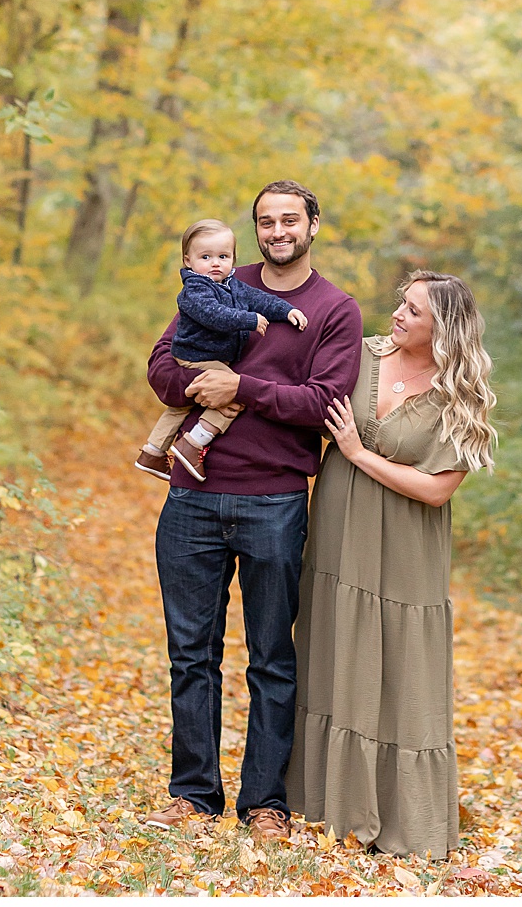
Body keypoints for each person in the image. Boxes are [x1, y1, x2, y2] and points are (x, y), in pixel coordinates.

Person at [143, 181, 363, 843]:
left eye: (289, 219)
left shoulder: (335, 311)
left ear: (313, 225)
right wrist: (198, 385)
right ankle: (193, 794)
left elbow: (323, 401)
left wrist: (243, 387)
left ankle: (265, 802)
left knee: (270, 657)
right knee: (191, 654)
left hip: (275, 499)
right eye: (266, 221)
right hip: (192, 500)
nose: (277, 230)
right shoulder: (218, 281)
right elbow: (162, 367)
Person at [288, 270, 497, 858]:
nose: (398, 315)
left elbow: (437, 490)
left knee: (401, 665)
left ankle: (405, 815)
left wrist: (355, 452)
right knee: (334, 646)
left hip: (407, 544)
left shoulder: (462, 396)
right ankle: (326, 802)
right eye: (400, 305)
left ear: (444, 330)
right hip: (338, 529)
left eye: (413, 311)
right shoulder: (356, 356)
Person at [135, 218, 309, 483]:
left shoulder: (231, 284)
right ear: (188, 261)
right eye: (206, 257)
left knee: (178, 408)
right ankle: (194, 442)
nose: (215, 263)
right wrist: (249, 320)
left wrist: (287, 310)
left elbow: (258, 299)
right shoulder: (195, 289)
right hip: (196, 356)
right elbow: (214, 315)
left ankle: (152, 452)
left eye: (223, 256)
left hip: (207, 356)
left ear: (232, 259)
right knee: (235, 391)